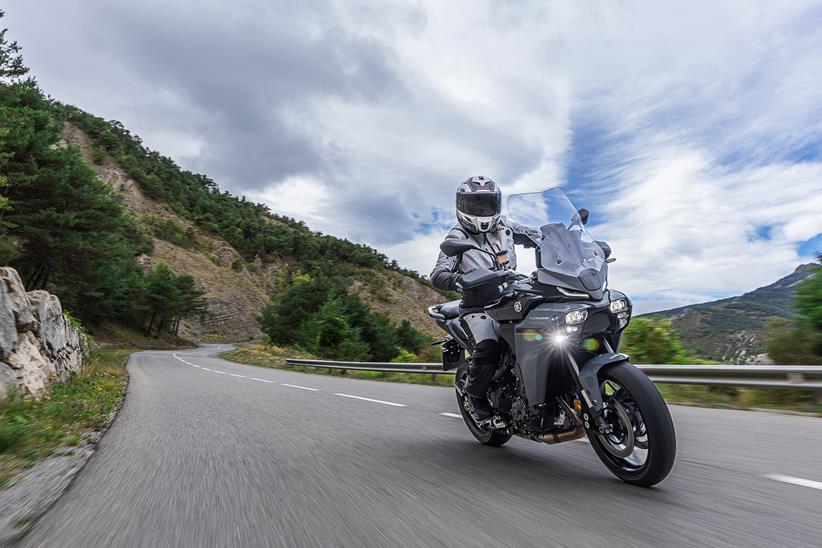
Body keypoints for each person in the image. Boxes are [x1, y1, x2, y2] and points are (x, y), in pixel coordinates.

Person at [430, 175, 536, 420]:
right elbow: (437, 274)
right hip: (478, 305)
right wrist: (458, 280)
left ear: (497, 205)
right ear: (462, 206)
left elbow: (538, 235)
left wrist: (563, 234)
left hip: (512, 297)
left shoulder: (506, 227)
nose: (481, 210)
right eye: (474, 205)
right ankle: (475, 396)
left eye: (486, 204)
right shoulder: (456, 237)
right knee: (489, 346)